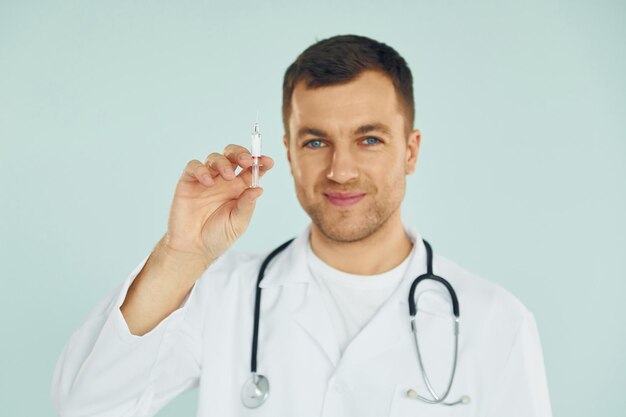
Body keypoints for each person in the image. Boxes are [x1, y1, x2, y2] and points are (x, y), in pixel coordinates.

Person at [51, 34, 552, 417]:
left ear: (411, 150)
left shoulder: (496, 323)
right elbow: (82, 406)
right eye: (315, 142)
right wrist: (180, 255)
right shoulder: (223, 295)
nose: (341, 170)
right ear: (288, 152)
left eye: (369, 139)